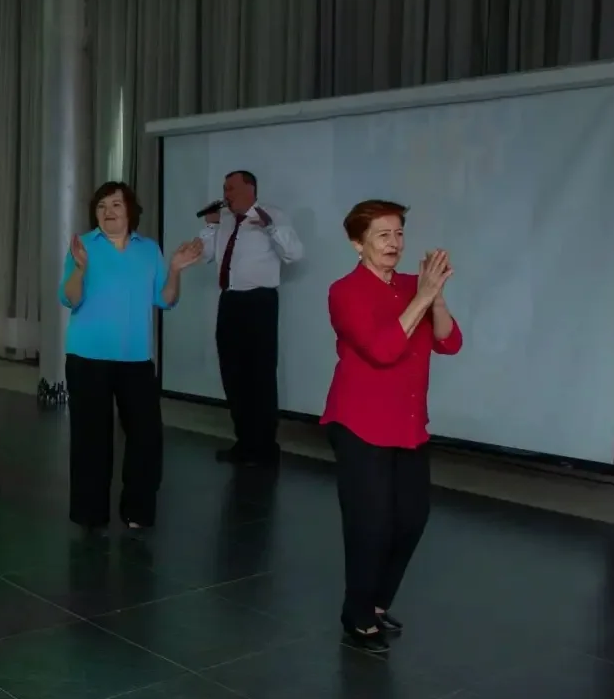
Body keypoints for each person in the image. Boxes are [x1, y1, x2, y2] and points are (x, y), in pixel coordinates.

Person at [320, 199, 462, 653]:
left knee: (412, 518)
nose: (394, 243)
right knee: (371, 525)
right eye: (383, 235)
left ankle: (378, 603)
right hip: (359, 422)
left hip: (408, 423)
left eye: (399, 233)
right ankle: (357, 613)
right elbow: (382, 350)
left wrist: (436, 297)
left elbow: (450, 342)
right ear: (356, 243)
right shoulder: (345, 292)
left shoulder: (412, 286)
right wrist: (422, 297)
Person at [60, 181, 203, 531]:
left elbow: (165, 299)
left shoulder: (148, 249)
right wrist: (80, 268)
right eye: (101, 206)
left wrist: (175, 270)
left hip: (136, 359)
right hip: (88, 356)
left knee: (146, 437)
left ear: (130, 211)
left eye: (116, 205)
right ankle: (90, 513)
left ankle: (137, 510)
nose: (108, 212)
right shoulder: (83, 246)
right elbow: (70, 298)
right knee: (91, 439)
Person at [197, 170, 304, 467]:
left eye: (231, 188)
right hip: (230, 302)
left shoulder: (273, 215)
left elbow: (294, 254)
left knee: (260, 376)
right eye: (224, 188)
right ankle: (244, 443)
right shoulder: (225, 220)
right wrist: (210, 226)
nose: (226, 194)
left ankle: (265, 448)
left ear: (250, 189)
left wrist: (270, 228)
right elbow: (204, 255)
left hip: (260, 303)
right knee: (232, 375)